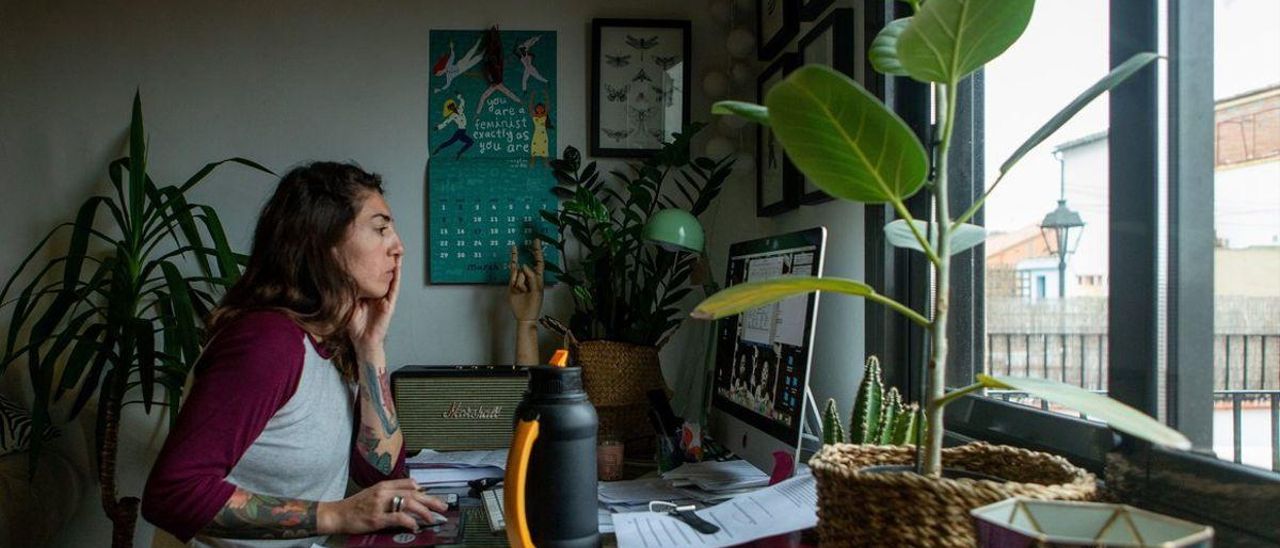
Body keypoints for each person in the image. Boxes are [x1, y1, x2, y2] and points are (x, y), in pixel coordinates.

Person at [142, 162, 447, 547]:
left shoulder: (330, 342)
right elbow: (172, 494)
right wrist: (337, 514)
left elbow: (383, 474)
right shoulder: (266, 342)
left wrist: (370, 348)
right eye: (381, 228)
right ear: (326, 241)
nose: (398, 246)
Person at [433, 94, 473, 159]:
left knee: (469, 142)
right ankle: (439, 149)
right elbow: (446, 122)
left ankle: (459, 152)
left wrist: (458, 95)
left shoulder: (460, 109)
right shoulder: (452, 116)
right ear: (450, 110)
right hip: (460, 131)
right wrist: (438, 127)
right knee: (450, 142)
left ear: (454, 106)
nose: (453, 108)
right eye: (451, 108)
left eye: (453, 106)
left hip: (462, 131)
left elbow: (463, 101)